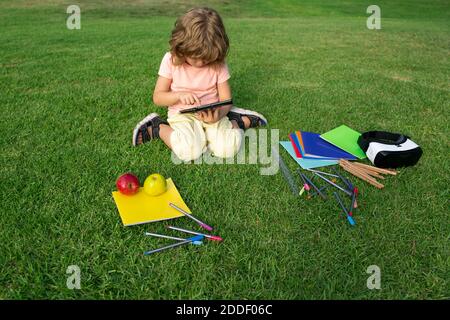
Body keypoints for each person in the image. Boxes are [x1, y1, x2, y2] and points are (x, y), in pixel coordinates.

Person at [132, 7, 267, 161]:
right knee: (188, 152)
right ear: (182, 47)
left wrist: (219, 115)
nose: (201, 63)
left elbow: (226, 100)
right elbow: (158, 97)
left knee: (228, 149)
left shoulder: (217, 63)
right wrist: (178, 96)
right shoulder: (170, 61)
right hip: (182, 115)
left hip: (212, 114)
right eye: (195, 57)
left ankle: (237, 120)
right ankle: (157, 127)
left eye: (207, 58)